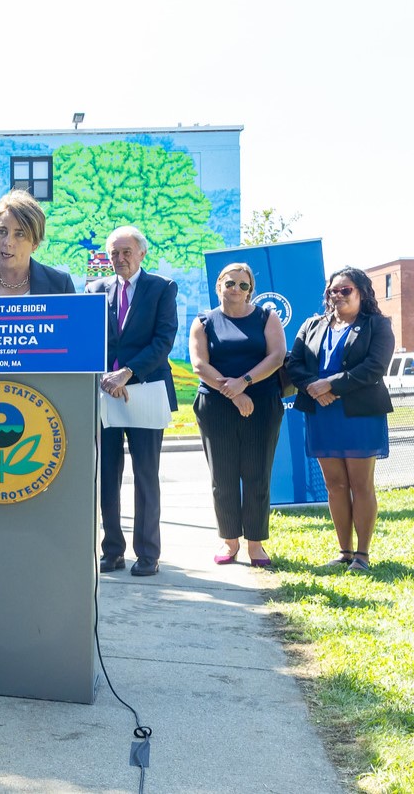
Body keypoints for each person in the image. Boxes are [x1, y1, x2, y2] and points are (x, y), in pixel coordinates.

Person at [286, 268, 395, 573]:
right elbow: (294, 363)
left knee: (361, 484)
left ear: (361, 292)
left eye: (345, 290)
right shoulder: (312, 325)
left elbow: (375, 367)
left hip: (360, 414)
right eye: (333, 291)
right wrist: (312, 387)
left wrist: (331, 384)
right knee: (334, 485)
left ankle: (362, 555)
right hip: (322, 412)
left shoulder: (377, 325)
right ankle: (344, 551)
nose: (338, 296)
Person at [86, 226, 179, 578]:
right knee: (107, 476)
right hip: (106, 393)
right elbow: (90, 339)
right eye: (113, 253)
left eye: (126, 252)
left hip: (146, 389)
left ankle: (148, 553)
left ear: (141, 254)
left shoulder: (162, 288)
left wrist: (127, 373)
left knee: (145, 475)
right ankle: (112, 551)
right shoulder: (96, 289)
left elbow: (163, 340)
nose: (119, 259)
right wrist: (106, 379)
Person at [189, 262, 286, 567]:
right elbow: (199, 365)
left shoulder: (266, 317)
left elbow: (277, 356)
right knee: (223, 476)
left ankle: (255, 544)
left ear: (251, 290)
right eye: (230, 283)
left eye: (243, 285)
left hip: (262, 404)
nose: (236, 290)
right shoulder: (204, 322)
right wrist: (233, 393)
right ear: (219, 285)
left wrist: (244, 383)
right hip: (216, 405)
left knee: (257, 475)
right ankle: (229, 542)